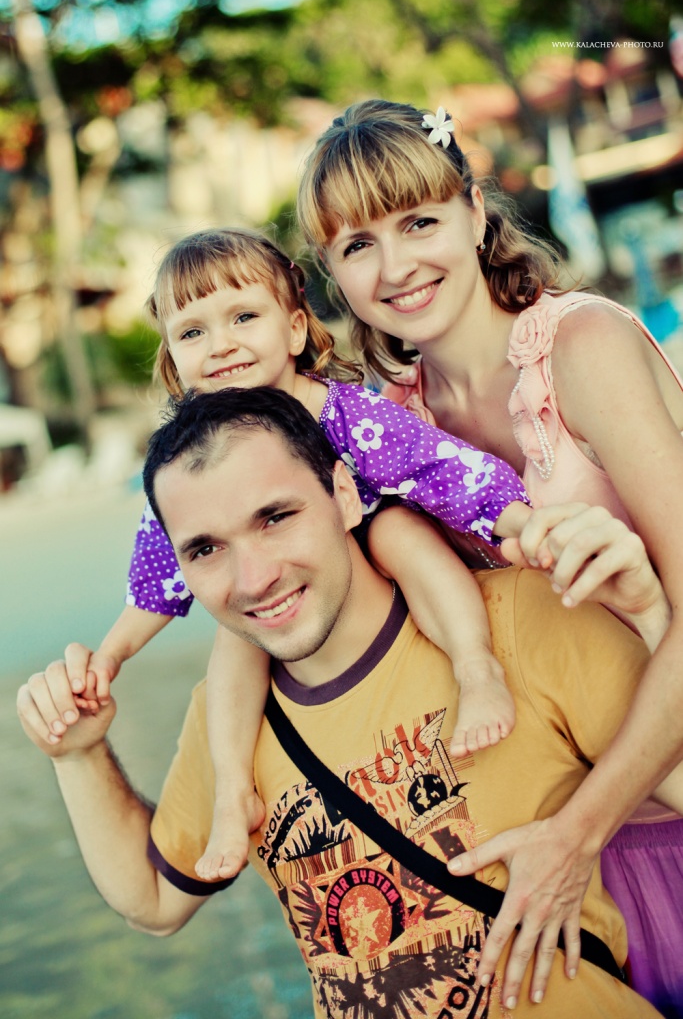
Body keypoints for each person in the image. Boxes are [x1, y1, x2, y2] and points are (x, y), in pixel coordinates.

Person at [17, 387, 678, 1018]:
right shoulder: (227, 719)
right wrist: (78, 755)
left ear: (343, 494)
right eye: (206, 549)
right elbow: (155, 901)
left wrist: (651, 617)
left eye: (275, 517)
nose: (254, 579)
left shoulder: (522, 621)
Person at [296, 98, 683, 1017]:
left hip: (629, 820)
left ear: (474, 212)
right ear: (332, 274)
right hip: (568, 855)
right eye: (357, 246)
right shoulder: (391, 426)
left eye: (417, 222)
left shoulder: (580, 348)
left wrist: (575, 834)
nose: (395, 267)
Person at [57, 228, 534, 888]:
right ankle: (233, 792)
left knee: (398, 530)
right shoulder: (190, 459)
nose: (220, 344)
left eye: (243, 317)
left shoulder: (343, 412)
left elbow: (440, 469)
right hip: (286, 586)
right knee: (236, 632)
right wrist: (109, 658)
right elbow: (159, 576)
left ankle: (475, 668)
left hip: (367, 547)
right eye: (192, 332)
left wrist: (526, 525)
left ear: (294, 329)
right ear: (172, 359)